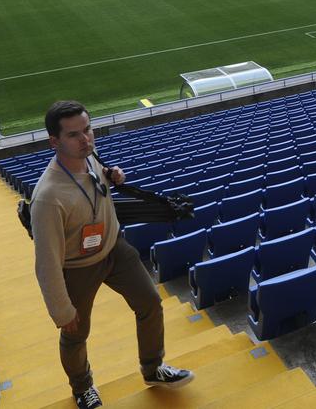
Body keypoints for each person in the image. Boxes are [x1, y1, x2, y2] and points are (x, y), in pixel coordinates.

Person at [31, 100, 194, 409]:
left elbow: (94, 180)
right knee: (75, 332)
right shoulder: (48, 197)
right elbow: (46, 262)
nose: (85, 139)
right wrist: (60, 309)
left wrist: (111, 175)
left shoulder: (89, 157)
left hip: (114, 248)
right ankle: (82, 388)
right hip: (78, 266)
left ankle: (153, 368)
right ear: (54, 141)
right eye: (73, 135)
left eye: (88, 130)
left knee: (150, 303)